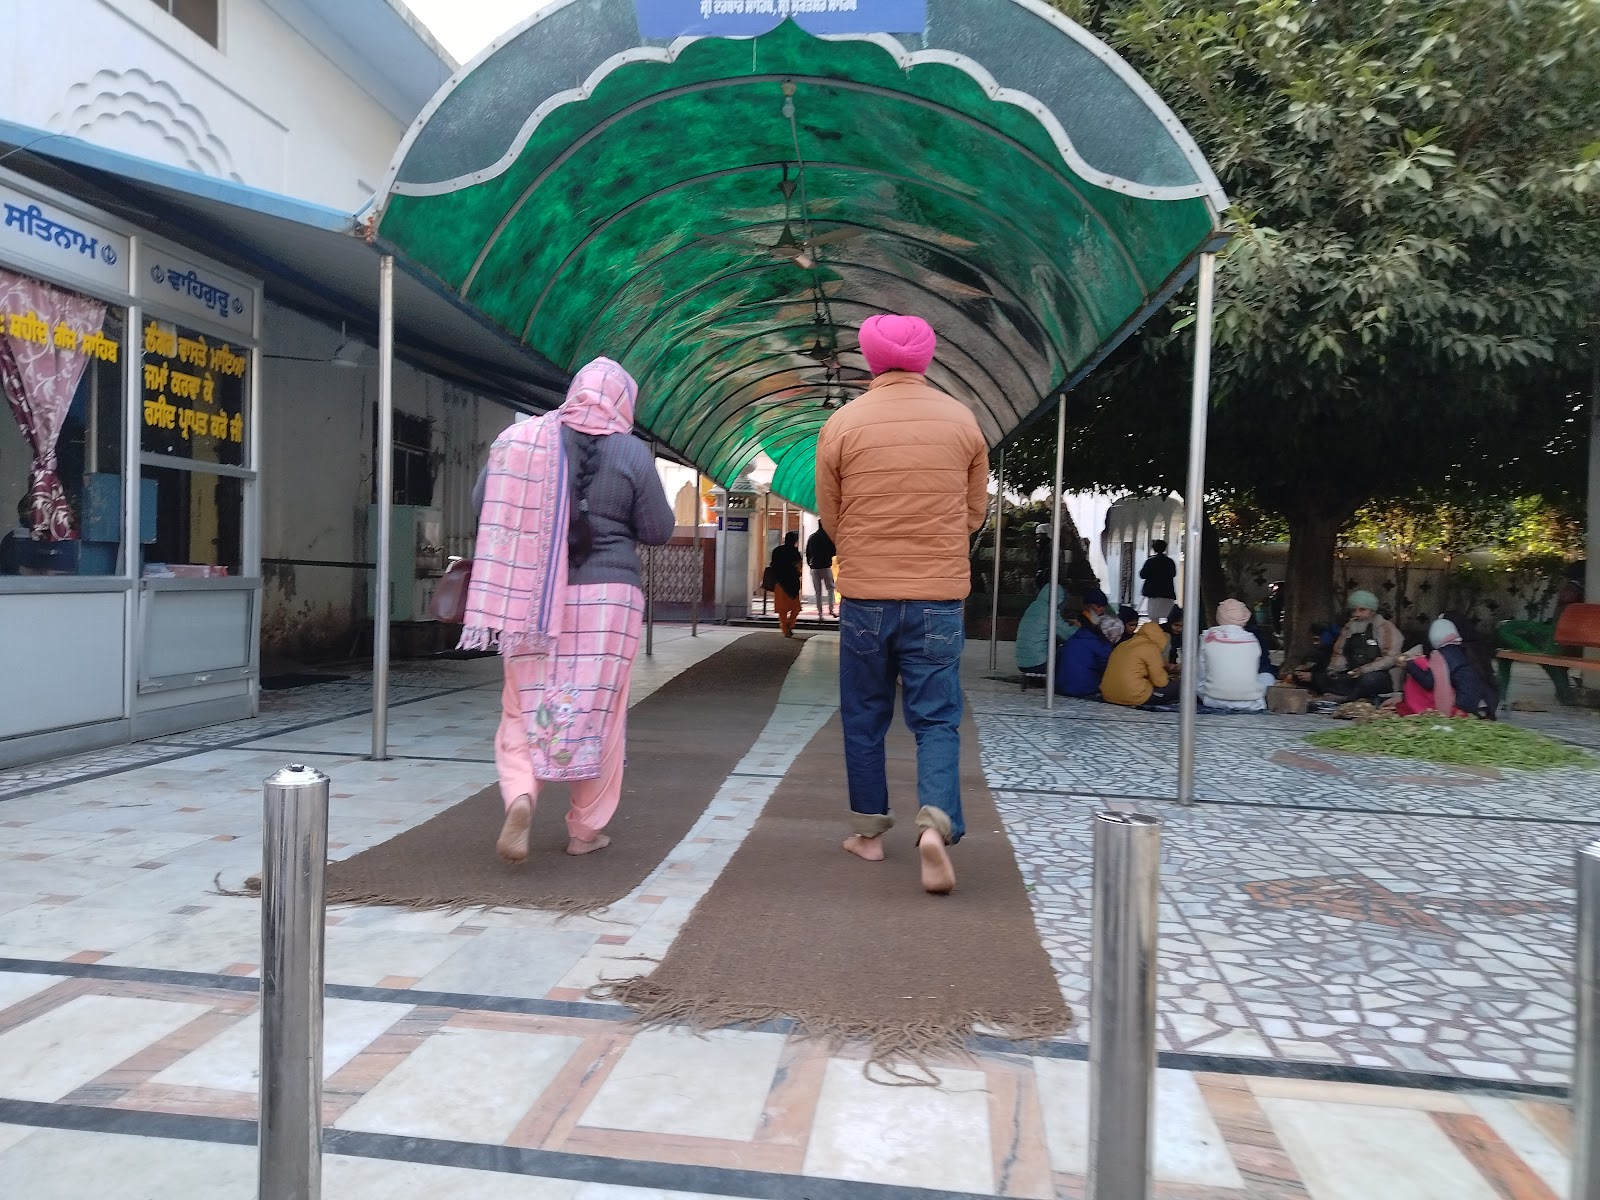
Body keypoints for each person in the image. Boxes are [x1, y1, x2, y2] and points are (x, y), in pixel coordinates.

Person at [463, 358, 674, 866]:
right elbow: (658, 530)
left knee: (522, 704)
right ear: (624, 402)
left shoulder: (524, 441)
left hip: (529, 594)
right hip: (610, 599)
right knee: (602, 715)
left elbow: (481, 505)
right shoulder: (630, 452)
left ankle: (521, 796)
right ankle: (585, 830)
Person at [816, 313, 987, 895]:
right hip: (939, 598)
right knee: (936, 718)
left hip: (866, 597)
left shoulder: (842, 423)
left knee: (865, 715)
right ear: (927, 357)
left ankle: (867, 833)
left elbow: (833, 516)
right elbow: (972, 514)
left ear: (870, 358)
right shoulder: (963, 421)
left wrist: (866, 547)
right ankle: (936, 823)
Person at [1396, 613, 1498, 719]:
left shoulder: (1444, 655)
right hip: (1476, 700)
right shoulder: (1459, 650)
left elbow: (1428, 681)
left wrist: (1409, 665)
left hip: (1464, 704)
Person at [1311, 590, 1404, 701]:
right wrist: (1334, 669)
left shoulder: (1385, 628)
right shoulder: (1348, 628)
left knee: (1370, 680)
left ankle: (1349, 698)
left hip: (1376, 674)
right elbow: (1339, 653)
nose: (1357, 614)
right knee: (1321, 678)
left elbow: (1391, 658)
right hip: (1352, 674)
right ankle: (1350, 695)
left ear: (1372, 611)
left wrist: (1364, 670)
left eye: (1362, 610)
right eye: (1354, 611)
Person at [1197, 599, 1273, 712]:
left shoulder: (1207, 636)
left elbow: (1200, 671)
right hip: (1251, 701)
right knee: (1268, 676)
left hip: (1212, 699)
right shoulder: (1252, 638)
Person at [1101, 618, 1178, 707]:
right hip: (1133, 696)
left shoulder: (1123, 644)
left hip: (1108, 694)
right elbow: (1160, 682)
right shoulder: (1151, 648)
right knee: (1178, 686)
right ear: (1161, 637)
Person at [1016, 573, 1074, 675]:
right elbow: (1067, 634)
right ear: (1059, 599)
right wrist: (1082, 630)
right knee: (1069, 650)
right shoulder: (1050, 612)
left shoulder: (1035, 607)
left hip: (1022, 662)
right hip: (1038, 664)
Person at [1057, 613, 1123, 697]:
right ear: (1112, 635)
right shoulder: (1102, 645)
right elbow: (1108, 670)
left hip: (1061, 686)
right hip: (1083, 689)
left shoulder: (1078, 635)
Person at [768, 529, 804, 637]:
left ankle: (784, 627)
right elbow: (799, 567)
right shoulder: (795, 552)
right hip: (792, 583)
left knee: (782, 609)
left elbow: (772, 565)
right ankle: (790, 624)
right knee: (796, 608)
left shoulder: (777, 551)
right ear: (794, 541)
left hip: (780, 583)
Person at [1140, 539, 1178, 621]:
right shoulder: (1170, 562)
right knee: (1169, 617)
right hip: (1167, 593)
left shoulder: (1150, 561)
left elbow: (1142, 575)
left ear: (1154, 549)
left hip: (1153, 593)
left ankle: (1155, 633)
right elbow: (1174, 574)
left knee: (1154, 618)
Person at [805, 525, 837, 619]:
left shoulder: (812, 537)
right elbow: (833, 551)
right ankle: (831, 610)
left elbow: (807, 552)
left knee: (818, 592)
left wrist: (810, 564)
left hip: (814, 567)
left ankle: (820, 614)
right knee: (830, 589)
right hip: (826, 566)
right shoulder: (827, 538)